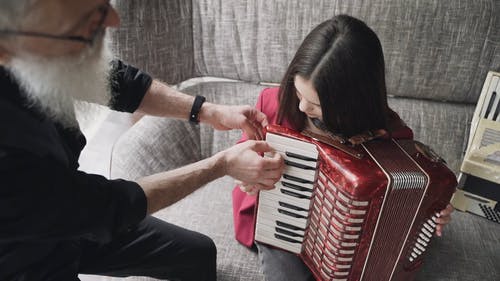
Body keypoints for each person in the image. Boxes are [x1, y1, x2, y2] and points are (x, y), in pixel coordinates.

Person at [0, 1, 285, 280]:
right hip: (23, 258)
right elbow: (113, 206)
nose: (114, 20)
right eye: (87, 23)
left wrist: (208, 111)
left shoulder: (34, 43)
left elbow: (114, 80)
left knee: (196, 254)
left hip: (71, 206)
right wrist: (221, 165)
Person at [232, 14, 454, 281]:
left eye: (314, 104)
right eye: (299, 93)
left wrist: (433, 212)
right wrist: (247, 174)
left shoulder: (392, 136)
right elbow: (243, 156)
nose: (302, 107)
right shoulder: (274, 105)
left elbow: (416, 197)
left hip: (347, 243)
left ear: (350, 101)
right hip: (285, 224)